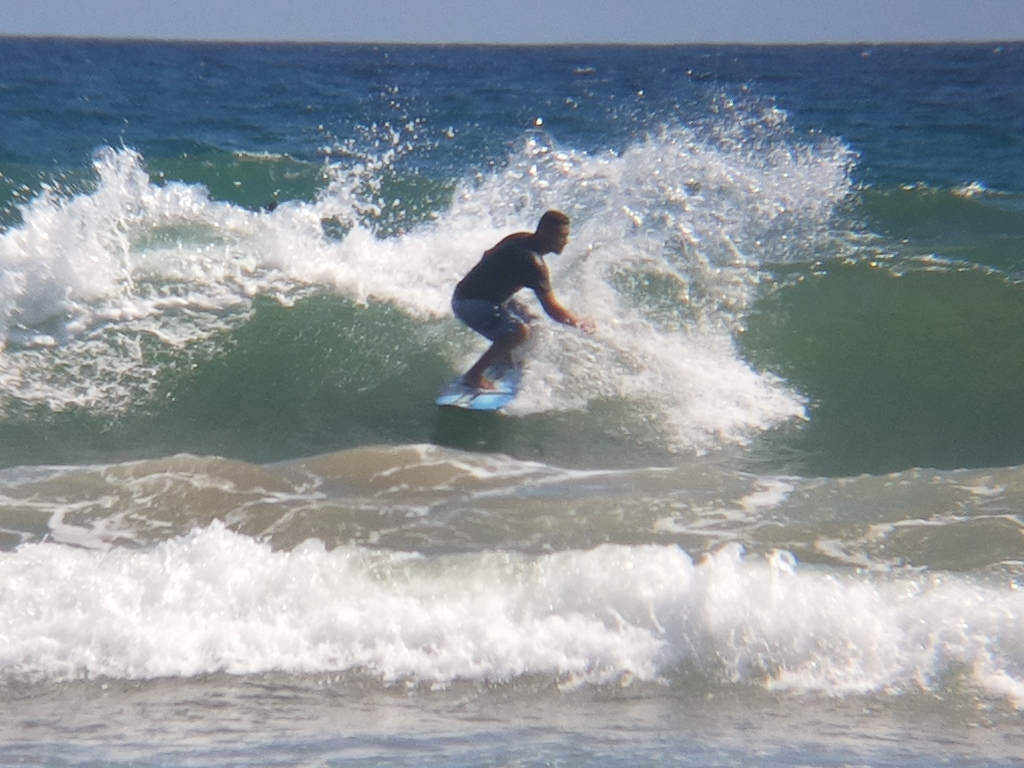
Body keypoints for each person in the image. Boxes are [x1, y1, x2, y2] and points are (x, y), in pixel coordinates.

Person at [451, 210, 594, 390]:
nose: (566, 241)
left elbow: (488, 254)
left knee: (532, 320)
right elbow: (552, 309)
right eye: (562, 236)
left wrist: (494, 282)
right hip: (470, 303)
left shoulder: (519, 237)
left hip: (471, 294)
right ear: (547, 235)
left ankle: (505, 358)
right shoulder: (535, 264)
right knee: (519, 333)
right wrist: (579, 323)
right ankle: (473, 375)